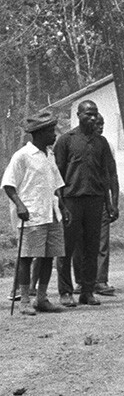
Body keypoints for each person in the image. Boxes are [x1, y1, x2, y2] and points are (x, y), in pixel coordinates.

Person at [53, 100, 117, 307]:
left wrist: (110, 203)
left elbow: (106, 175)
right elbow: (57, 176)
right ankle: (65, 292)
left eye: (95, 114)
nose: (92, 118)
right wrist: (60, 204)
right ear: (79, 115)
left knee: (91, 248)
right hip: (72, 200)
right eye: (88, 114)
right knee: (67, 248)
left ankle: (87, 291)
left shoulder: (101, 142)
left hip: (95, 201)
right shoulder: (66, 140)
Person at [3, 111, 66, 315]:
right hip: (32, 214)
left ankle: (41, 298)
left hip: (51, 213)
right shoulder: (22, 155)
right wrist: (19, 205)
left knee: (48, 257)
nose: (54, 135)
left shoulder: (50, 155)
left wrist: (62, 207)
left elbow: (56, 184)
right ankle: (24, 302)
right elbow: (8, 185)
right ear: (38, 134)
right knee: (27, 257)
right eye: (50, 131)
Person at [91, 115, 120, 296]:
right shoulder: (73, 143)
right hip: (81, 200)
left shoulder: (105, 145)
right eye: (96, 124)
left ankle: (101, 280)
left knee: (102, 242)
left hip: (101, 200)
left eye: (102, 124)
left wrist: (114, 202)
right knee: (82, 244)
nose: (99, 127)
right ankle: (83, 281)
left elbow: (112, 175)